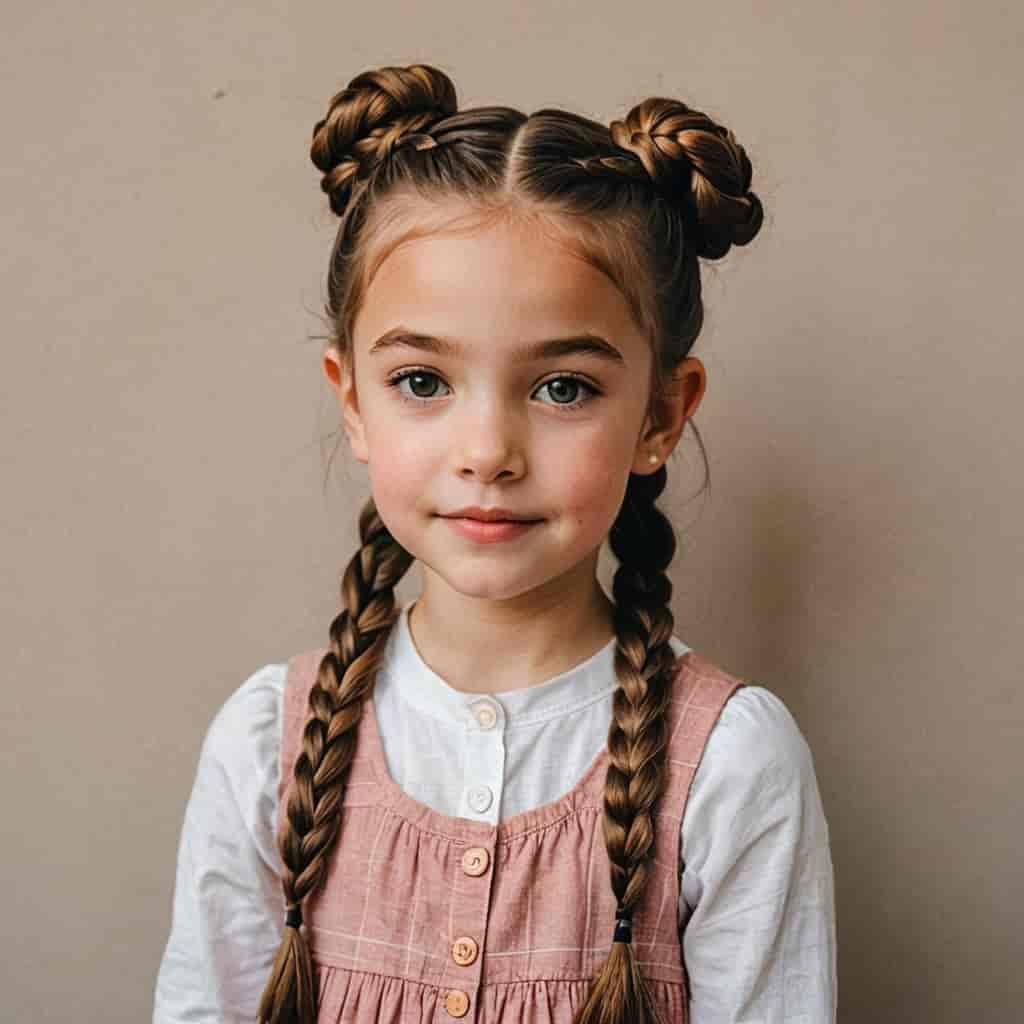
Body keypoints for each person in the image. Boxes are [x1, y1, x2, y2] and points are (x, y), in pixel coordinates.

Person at [153, 63, 836, 1024]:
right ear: (352, 401)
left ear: (660, 414)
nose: (487, 454)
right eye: (423, 382)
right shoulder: (267, 745)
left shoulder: (730, 763)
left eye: (563, 388)